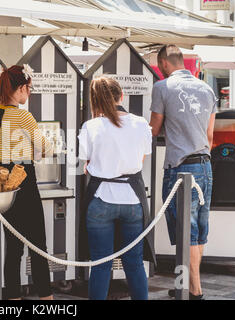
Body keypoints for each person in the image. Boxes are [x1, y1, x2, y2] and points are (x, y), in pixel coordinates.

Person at [78, 76, 156, 300]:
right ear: (121, 96)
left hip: (100, 199)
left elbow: (87, 163)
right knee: (134, 263)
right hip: (133, 199)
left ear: (95, 101)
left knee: (101, 264)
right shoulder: (140, 123)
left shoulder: (91, 126)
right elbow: (141, 158)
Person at [149, 45, 217, 300]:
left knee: (184, 230)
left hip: (180, 168)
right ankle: (190, 286)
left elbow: (153, 129)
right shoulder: (207, 88)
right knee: (198, 229)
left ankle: (194, 290)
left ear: (164, 63)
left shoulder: (163, 87)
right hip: (205, 165)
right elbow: (210, 136)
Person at [0, 65, 54, 300]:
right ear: (20, 88)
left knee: (13, 247)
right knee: (38, 245)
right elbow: (46, 147)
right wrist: (39, 150)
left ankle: (13, 299)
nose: (29, 93)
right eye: (29, 88)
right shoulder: (23, 115)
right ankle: (46, 299)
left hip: (5, 180)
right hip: (25, 177)